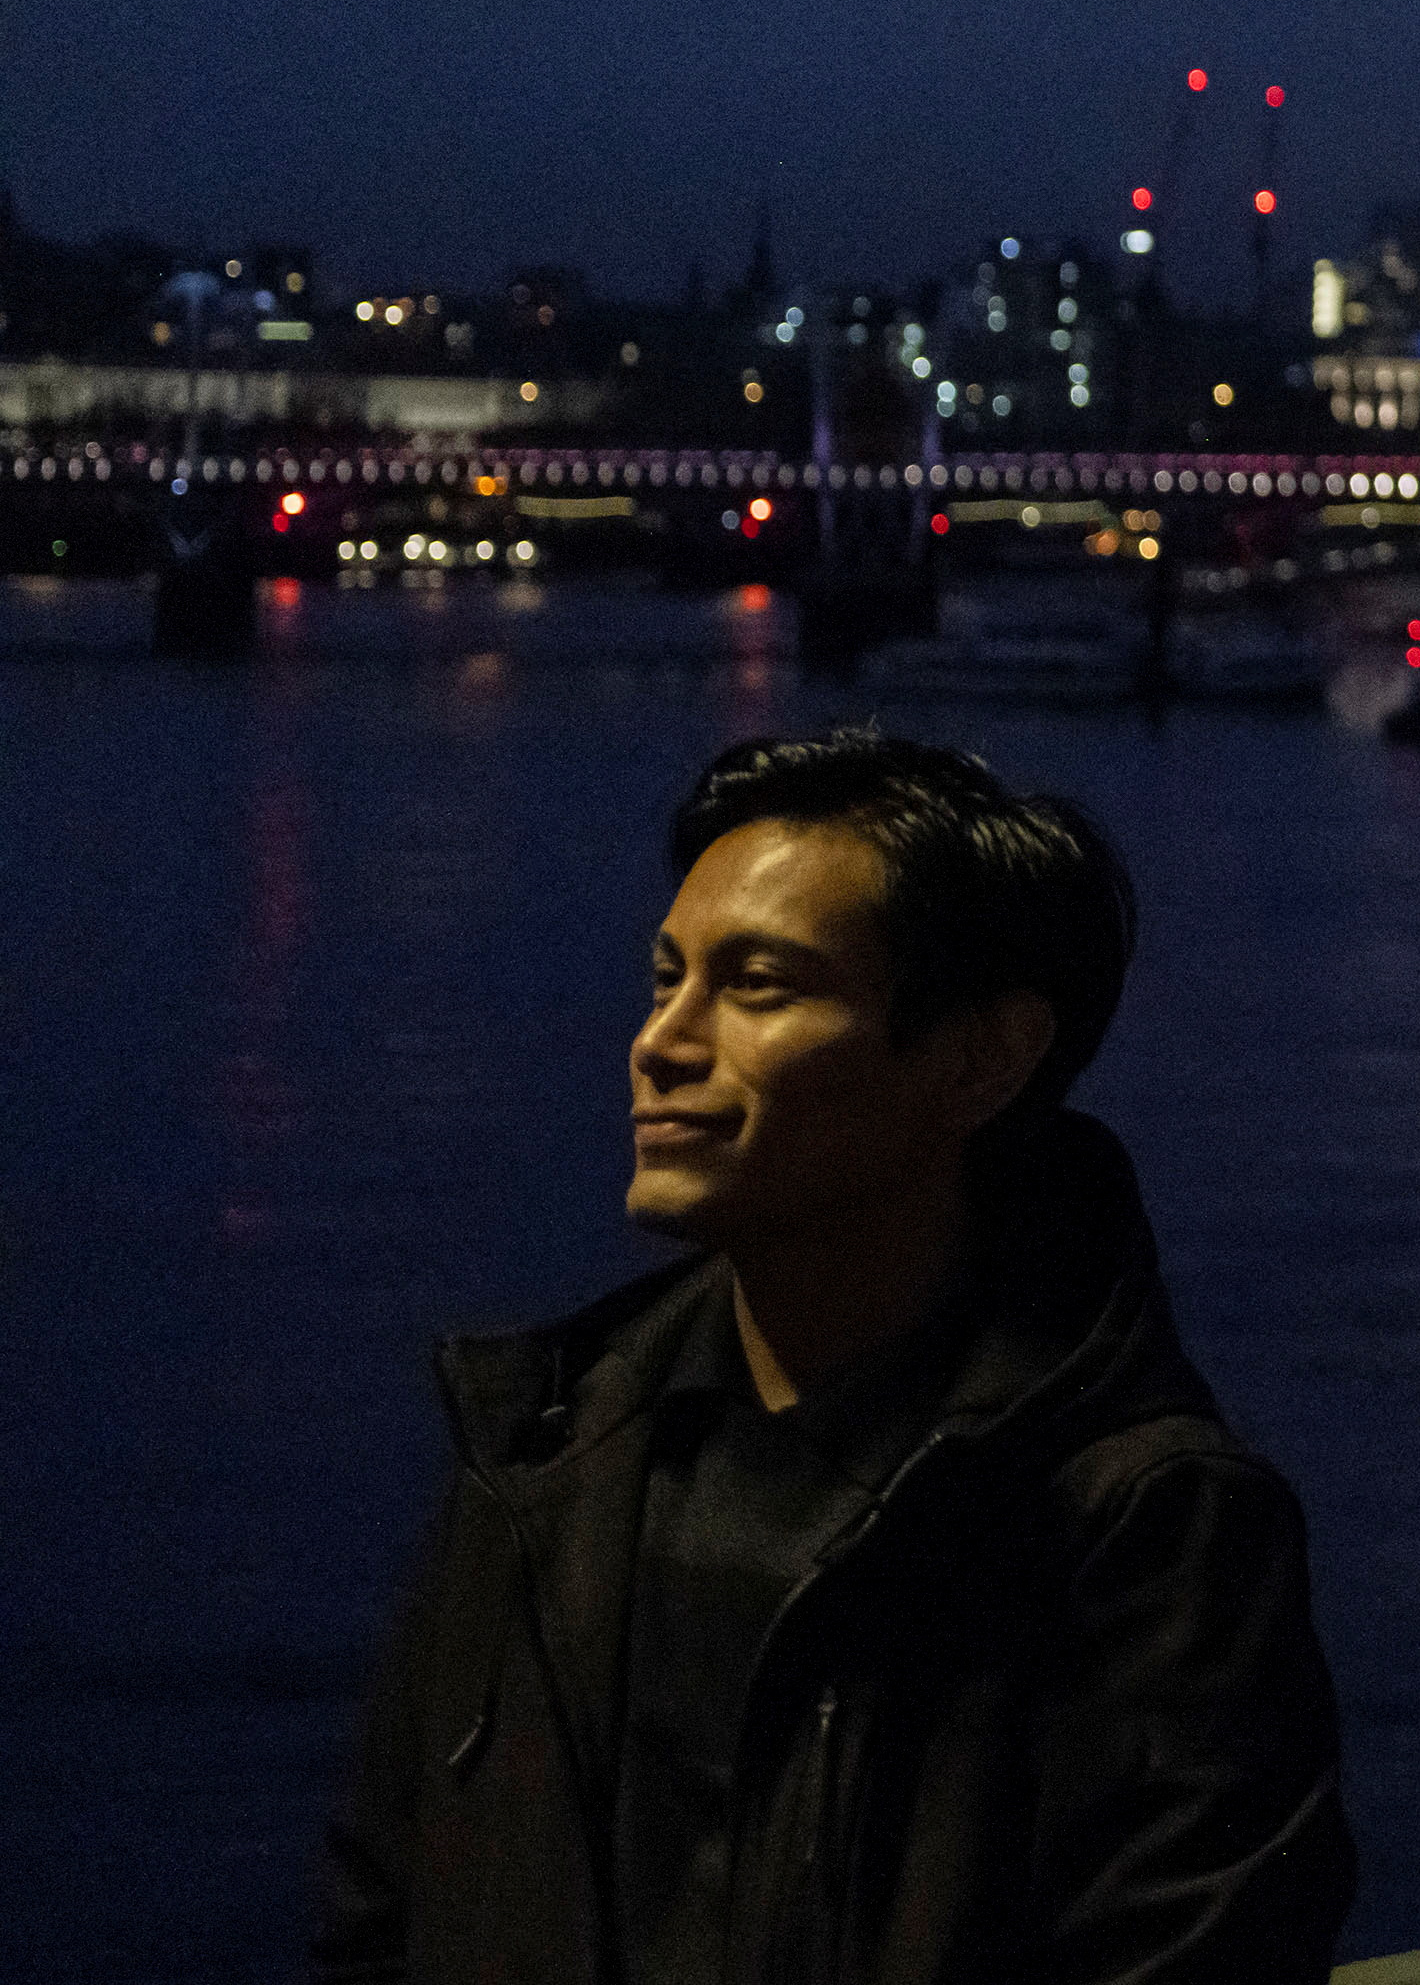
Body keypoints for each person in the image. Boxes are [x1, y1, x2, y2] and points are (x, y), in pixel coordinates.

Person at [315, 729, 1353, 1985]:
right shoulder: (545, 1455)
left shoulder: (1143, 1529)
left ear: (981, 1059)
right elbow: (381, 1910)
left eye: (759, 986)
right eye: (666, 978)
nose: (663, 1041)